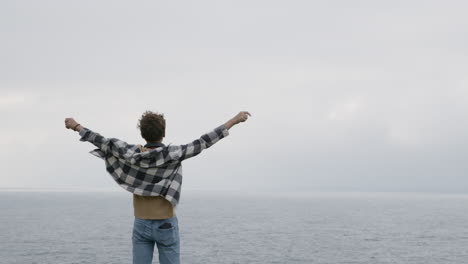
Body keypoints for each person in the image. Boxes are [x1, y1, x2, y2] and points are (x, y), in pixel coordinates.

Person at [64, 111, 251, 264]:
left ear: (142, 134)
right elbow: (203, 142)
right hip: (166, 223)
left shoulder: (131, 154)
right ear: (164, 133)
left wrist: (76, 126)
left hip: (141, 223)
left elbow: (102, 141)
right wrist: (234, 121)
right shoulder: (173, 154)